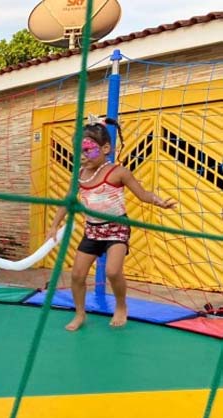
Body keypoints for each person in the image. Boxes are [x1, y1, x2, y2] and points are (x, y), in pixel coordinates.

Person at [48, 117, 177, 331]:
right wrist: (54, 225)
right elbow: (68, 201)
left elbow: (143, 194)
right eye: (79, 151)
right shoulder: (79, 175)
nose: (83, 156)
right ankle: (80, 314)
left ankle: (121, 305)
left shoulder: (118, 172)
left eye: (88, 149)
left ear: (105, 148)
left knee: (113, 271)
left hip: (117, 229)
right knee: (77, 274)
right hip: (92, 230)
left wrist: (160, 203)